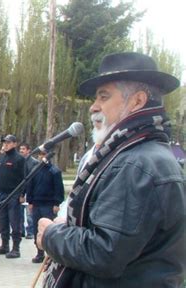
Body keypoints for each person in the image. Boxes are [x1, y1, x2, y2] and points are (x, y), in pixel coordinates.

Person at [38, 52, 185, 287]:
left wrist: (52, 235)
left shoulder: (136, 164)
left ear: (137, 101)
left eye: (103, 97)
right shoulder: (133, 154)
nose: (93, 107)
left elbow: (104, 253)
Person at [25, 150, 64, 263]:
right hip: (36, 203)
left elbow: (59, 189)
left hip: (49, 205)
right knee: (38, 229)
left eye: (45, 154)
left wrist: (57, 203)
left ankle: (50, 255)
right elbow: (30, 187)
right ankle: (39, 253)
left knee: (49, 229)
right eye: (41, 155)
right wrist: (30, 201)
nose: (42, 157)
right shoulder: (35, 170)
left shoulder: (54, 171)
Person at [0, 134, 25, 259]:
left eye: (8, 142)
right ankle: (4, 245)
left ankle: (16, 247)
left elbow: (24, 178)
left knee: (14, 221)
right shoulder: (1, 157)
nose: (5, 145)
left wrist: (22, 194)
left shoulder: (19, 159)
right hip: (1, 194)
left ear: (15, 144)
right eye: (4, 142)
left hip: (14, 194)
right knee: (2, 220)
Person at [20, 142, 38, 239]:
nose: (21, 151)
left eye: (23, 149)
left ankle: (30, 231)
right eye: (20, 149)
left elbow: (30, 178)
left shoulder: (33, 162)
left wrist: (25, 193)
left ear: (28, 150)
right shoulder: (19, 161)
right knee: (19, 213)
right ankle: (20, 230)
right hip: (20, 190)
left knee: (29, 213)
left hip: (29, 191)